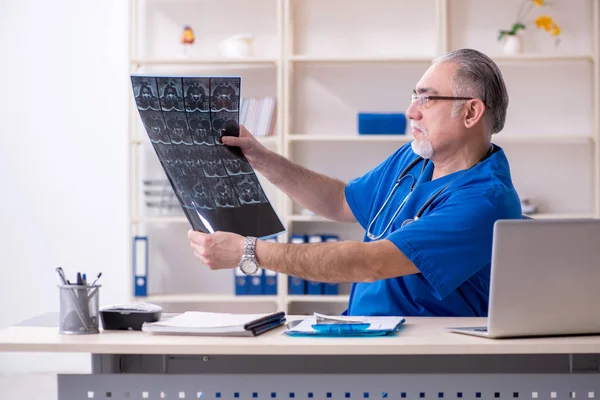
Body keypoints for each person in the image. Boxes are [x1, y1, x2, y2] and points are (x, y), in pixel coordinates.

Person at [187, 48, 522, 317]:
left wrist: (250, 251)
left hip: (421, 359)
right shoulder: (413, 159)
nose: (410, 111)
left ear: (471, 113)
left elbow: (371, 262)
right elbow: (341, 201)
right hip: (366, 334)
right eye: (413, 96)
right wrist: (261, 158)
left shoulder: (485, 200)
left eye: (426, 98)